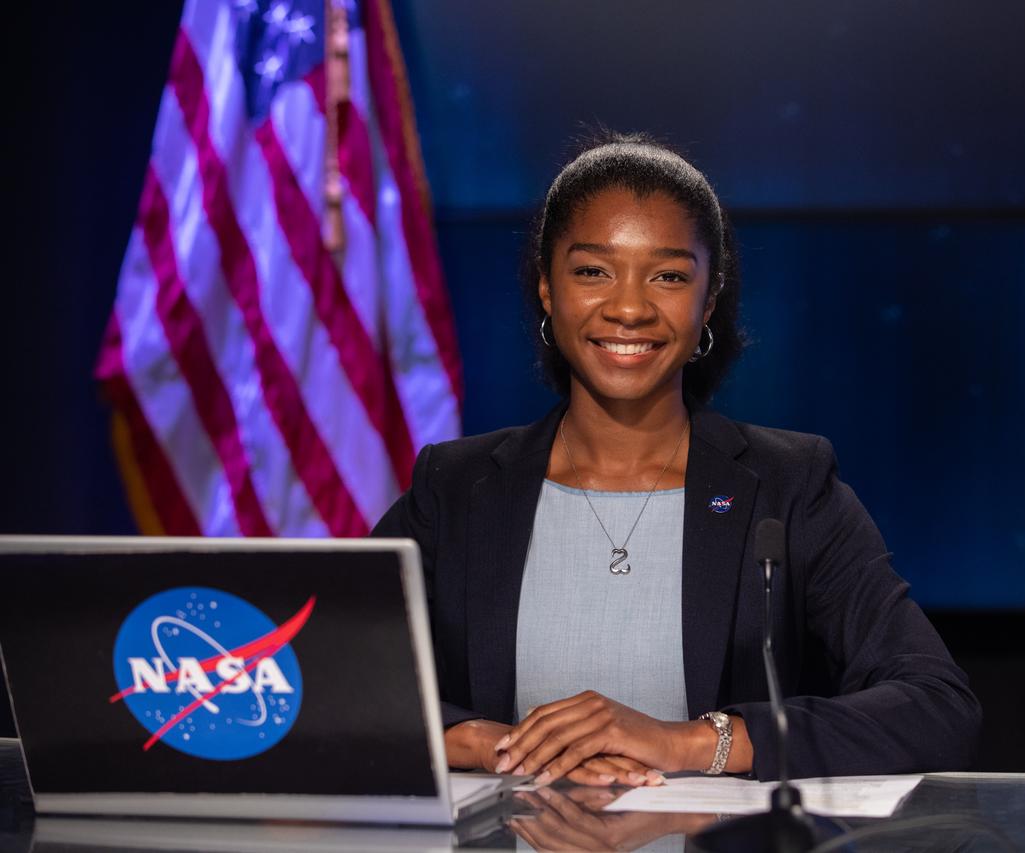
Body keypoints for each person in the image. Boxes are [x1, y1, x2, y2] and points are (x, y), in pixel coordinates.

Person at [372, 132, 980, 788]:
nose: (629, 307)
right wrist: (481, 740)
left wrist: (691, 742)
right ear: (547, 288)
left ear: (707, 300)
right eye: (592, 270)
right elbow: (328, 678)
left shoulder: (788, 485)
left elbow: (936, 706)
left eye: (667, 275)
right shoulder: (455, 487)